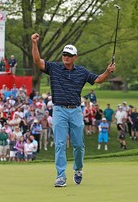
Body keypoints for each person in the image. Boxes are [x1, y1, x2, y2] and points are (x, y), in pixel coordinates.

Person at [31, 33, 116, 187]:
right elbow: (37, 61)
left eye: (69, 55)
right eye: (64, 54)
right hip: (59, 110)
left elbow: (97, 80)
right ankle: (61, 176)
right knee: (60, 144)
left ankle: (78, 169)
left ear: (75, 57)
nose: (66, 57)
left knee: (78, 144)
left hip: (75, 111)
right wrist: (35, 44)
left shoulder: (82, 72)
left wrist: (107, 72)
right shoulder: (54, 68)